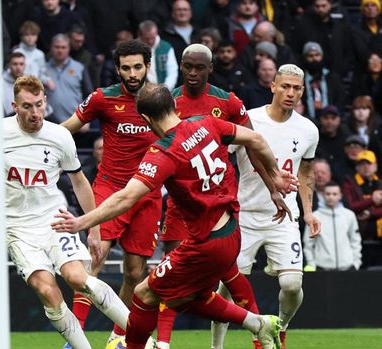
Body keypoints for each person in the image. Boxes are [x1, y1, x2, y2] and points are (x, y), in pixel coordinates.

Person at [52, 82, 290, 349]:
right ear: (174, 105)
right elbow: (256, 139)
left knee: (143, 294)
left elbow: (127, 197)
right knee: (186, 296)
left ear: (146, 118)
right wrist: (276, 175)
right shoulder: (206, 123)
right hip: (231, 231)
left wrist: (82, 221)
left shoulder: (164, 152)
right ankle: (258, 324)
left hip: (207, 244)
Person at [160, 43, 285, 349]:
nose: (192, 72)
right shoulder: (168, 102)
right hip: (179, 203)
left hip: (217, 204)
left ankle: (260, 336)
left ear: (210, 68)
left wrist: (273, 189)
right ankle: (162, 343)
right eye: (187, 66)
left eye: (198, 67)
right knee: (170, 273)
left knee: (228, 273)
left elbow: (254, 146)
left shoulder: (226, 102)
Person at [5, 75, 129, 349]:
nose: (35, 113)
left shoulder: (59, 136)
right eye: (27, 106)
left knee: (77, 277)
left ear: (46, 101)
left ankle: (140, 337)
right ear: (14, 105)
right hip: (17, 229)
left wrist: (93, 230)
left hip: (54, 220)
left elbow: (80, 182)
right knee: (47, 290)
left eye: (39, 105)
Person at [61, 40, 163, 344]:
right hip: (109, 188)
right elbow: (65, 129)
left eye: (137, 67)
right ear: (117, 69)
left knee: (135, 273)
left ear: (147, 65)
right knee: (95, 257)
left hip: (147, 193)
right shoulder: (103, 99)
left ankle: (118, 337)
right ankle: (74, 337)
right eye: (126, 68)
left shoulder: (159, 100)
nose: (132, 74)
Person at [214, 64, 321, 349]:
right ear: (272, 86)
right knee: (226, 286)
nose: (291, 93)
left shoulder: (308, 129)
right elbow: (224, 161)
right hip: (245, 216)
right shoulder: (249, 120)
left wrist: (308, 212)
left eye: (297, 88)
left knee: (292, 285)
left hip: (284, 217)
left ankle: (279, 327)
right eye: (285, 86)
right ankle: (216, 346)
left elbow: (306, 172)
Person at [303, 182, 361, 271]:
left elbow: (355, 240)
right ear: (322, 195)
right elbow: (308, 244)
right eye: (328, 194)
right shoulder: (314, 217)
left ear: (340, 196)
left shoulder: (349, 215)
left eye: (334, 194)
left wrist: (356, 263)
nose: (331, 197)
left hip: (348, 267)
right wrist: (312, 264)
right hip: (321, 268)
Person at [341, 150, 382, 268]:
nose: (365, 167)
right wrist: (371, 200)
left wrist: (370, 213)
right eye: (361, 164)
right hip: (360, 239)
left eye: (368, 164)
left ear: (375, 166)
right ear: (357, 167)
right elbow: (349, 206)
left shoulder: (379, 183)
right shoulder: (350, 183)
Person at [138, 20, 179, 90]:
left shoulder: (166, 47)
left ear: (156, 33)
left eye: (152, 37)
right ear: (140, 35)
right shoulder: (135, 48)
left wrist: (165, 89)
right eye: (147, 38)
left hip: (164, 90)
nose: (150, 41)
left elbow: (172, 72)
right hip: (142, 91)